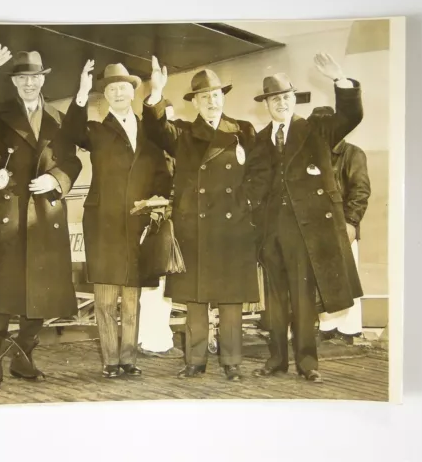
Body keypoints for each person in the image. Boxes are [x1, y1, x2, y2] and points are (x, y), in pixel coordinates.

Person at [0, 45, 82, 389]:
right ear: (14, 81)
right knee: (0, 293)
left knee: (39, 293)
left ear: (42, 79)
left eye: (34, 77)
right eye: (21, 78)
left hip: (43, 213)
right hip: (5, 215)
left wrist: (57, 179)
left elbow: (72, 160)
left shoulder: (57, 117)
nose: (28, 84)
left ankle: (23, 358)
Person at [143, 57, 273, 381]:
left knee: (231, 299)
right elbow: (156, 129)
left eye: (215, 94)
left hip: (233, 226)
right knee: (195, 299)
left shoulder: (243, 130)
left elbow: (260, 173)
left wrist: (246, 203)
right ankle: (195, 361)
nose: (211, 101)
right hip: (195, 227)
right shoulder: (184, 134)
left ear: (223, 97)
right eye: (204, 97)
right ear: (195, 102)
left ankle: (231, 362)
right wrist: (156, 93)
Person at [56, 60, 172, 378]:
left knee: (132, 298)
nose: (119, 92)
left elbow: (163, 172)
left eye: (124, 87)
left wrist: (159, 201)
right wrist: (80, 94)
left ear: (133, 91)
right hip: (103, 222)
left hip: (139, 222)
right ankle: (110, 361)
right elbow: (69, 133)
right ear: (105, 95)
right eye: (112, 88)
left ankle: (128, 359)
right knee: (106, 298)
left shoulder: (150, 131)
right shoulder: (94, 130)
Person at [253, 53, 364, 383]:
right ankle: (276, 360)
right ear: (267, 104)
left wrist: (339, 79)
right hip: (269, 235)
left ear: (293, 100)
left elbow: (351, 114)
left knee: (303, 301)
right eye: (274, 99)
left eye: (286, 97)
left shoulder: (316, 130)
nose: (281, 103)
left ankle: (306, 362)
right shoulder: (258, 140)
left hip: (303, 233)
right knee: (273, 303)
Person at [310, 106, 371, 345]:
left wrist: (351, 222)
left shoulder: (353, 154)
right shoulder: (312, 154)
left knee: (348, 277)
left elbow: (360, 190)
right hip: (317, 228)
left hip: (343, 226)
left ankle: (350, 328)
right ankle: (328, 325)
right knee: (323, 276)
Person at [137, 100, 185, 359]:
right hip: (154, 221)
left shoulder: (174, 151)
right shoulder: (149, 151)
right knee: (154, 284)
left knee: (162, 283)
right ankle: (151, 340)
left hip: (168, 220)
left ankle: (157, 337)